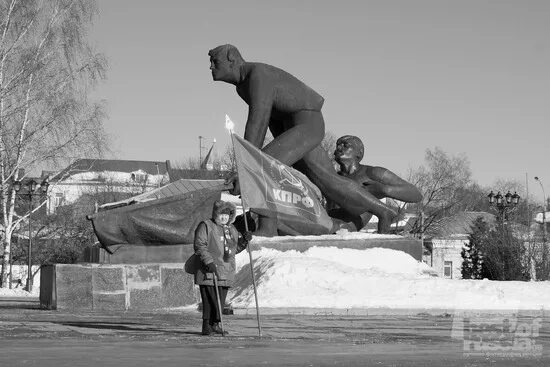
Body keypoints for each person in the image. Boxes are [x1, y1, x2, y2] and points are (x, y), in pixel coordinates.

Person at [209, 44, 398, 234]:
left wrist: (247, 166)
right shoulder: (243, 86)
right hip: (295, 128)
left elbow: (258, 121)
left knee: (262, 168)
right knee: (328, 181)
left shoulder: (258, 75)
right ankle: (383, 211)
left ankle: (267, 226)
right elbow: (271, 119)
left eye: (215, 61)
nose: (211, 67)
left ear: (232, 59)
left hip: (307, 125)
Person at [331, 135, 422, 230]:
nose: (339, 148)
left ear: (359, 153)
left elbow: (415, 194)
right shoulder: (331, 176)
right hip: (328, 222)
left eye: (345, 145)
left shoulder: (372, 173)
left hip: (345, 227)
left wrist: (384, 190)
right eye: (338, 145)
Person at [193, 200, 252, 336]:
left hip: (225, 270)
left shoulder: (231, 229)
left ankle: (216, 325)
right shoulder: (206, 226)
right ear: (216, 214)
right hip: (209, 269)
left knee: (219, 300)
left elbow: (234, 249)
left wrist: (244, 241)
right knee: (210, 300)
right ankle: (207, 326)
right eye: (221, 214)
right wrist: (209, 262)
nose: (224, 217)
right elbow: (200, 245)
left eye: (227, 214)